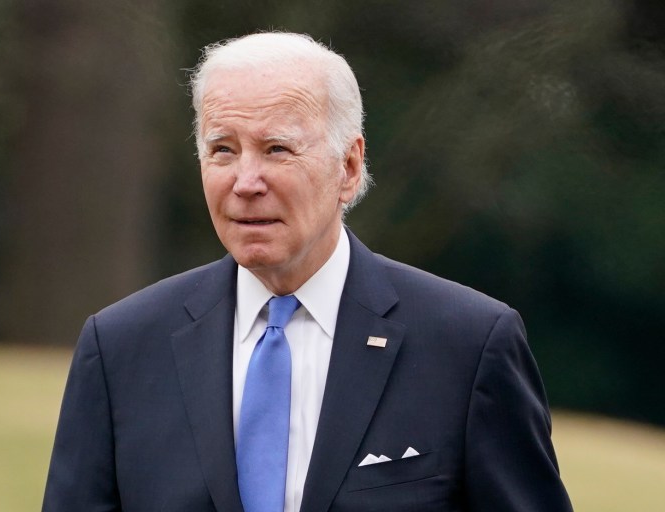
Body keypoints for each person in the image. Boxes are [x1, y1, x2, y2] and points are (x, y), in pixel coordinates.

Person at [42, 32, 573, 512]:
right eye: (223, 150)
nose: (246, 181)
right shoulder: (120, 348)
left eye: (277, 149)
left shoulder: (468, 345)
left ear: (348, 166)